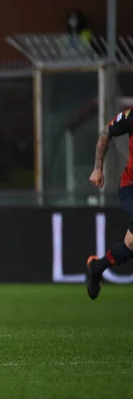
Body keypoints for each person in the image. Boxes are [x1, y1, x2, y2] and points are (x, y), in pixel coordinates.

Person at [88, 108, 133, 299]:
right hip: (130, 186)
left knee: (130, 245)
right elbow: (107, 131)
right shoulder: (131, 116)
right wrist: (98, 168)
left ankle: (97, 267)